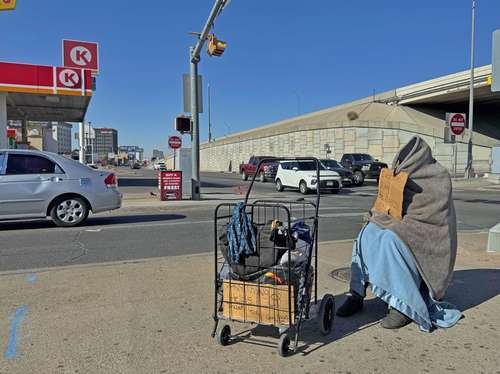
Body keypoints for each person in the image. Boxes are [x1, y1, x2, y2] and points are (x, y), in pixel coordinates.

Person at [336, 136, 462, 331]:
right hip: (404, 226)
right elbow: (394, 209)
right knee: (366, 234)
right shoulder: (403, 177)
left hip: (428, 237)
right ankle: (356, 293)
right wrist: (378, 214)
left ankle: (403, 306)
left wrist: (392, 224)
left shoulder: (439, 178)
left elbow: (430, 220)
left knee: (390, 241)